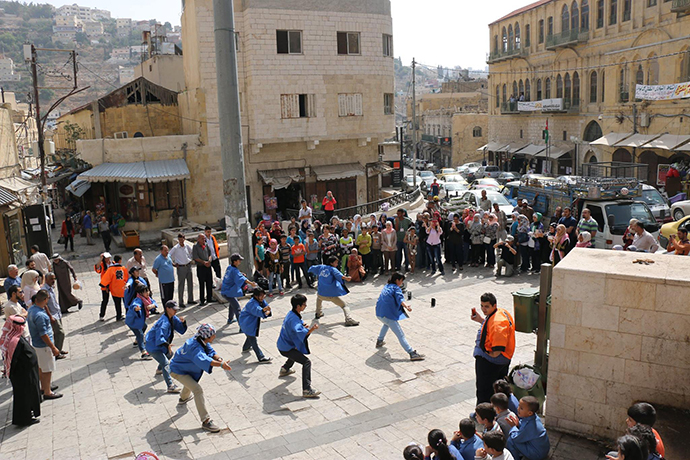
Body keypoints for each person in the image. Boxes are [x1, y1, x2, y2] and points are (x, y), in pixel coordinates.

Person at [169, 323, 231, 433]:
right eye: (213, 335)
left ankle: (183, 398)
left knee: (191, 383)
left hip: (185, 368)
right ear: (207, 336)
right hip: (177, 371)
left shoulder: (199, 340)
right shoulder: (195, 348)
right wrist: (221, 365)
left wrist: (220, 359)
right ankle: (206, 421)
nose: (214, 336)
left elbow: (210, 351)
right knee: (197, 389)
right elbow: (205, 360)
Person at [471, 292, 516, 404]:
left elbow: (497, 350)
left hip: (492, 361)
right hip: (502, 360)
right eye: (482, 306)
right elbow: (490, 328)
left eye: (486, 306)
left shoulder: (497, 323)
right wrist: (481, 320)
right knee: (499, 389)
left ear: (494, 306)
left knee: (484, 390)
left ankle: (483, 414)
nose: (483, 309)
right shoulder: (500, 312)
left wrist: (486, 354)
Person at [0, 315, 41, 426]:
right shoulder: (14, 341)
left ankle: (27, 415)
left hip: (25, 374)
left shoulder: (15, 337)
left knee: (25, 396)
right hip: (22, 375)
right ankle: (24, 419)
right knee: (23, 397)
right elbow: (14, 359)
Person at [277, 294, 320, 398]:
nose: (305, 306)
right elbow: (301, 332)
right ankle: (307, 389)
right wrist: (311, 329)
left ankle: (285, 369)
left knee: (297, 351)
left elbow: (298, 325)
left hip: (283, 344)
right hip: (286, 348)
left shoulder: (291, 314)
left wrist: (303, 325)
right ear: (298, 306)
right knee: (306, 362)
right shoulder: (294, 319)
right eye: (304, 304)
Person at [374, 272, 424, 360]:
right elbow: (400, 298)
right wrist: (406, 306)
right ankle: (411, 353)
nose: (402, 283)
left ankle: (380, 341)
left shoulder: (387, 286)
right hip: (388, 314)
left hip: (379, 313)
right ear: (397, 280)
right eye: (401, 281)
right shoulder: (396, 288)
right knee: (400, 335)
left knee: (386, 324)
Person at [145, 300, 187, 394]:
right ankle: (170, 386)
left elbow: (181, 329)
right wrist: (167, 345)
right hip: (153, 346)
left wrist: (183, 323)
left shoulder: (172, 317)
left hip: (159, 344)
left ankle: (159, 369)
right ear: (167, 309)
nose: (176, 311)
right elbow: (159, 338)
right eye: (174, 309)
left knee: (169, 355)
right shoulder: (163, 322)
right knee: (166, 363)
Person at [26, 290, 62, 400]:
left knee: (41, 367)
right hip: (44, 346)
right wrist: (53, 347)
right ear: (45, 300)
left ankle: (44, 387)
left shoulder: (32, 309)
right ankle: (47, 392)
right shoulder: (40, 315)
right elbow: (43, 334)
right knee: (47, 369)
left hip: (36, 344)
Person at [308, 255, 359, 327]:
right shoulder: (333, 269)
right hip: (330, 295)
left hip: (320, 293)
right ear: (331, 263)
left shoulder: (321, 267)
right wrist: (347, 278)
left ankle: (318, 313)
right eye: (336, 262)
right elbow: (340, 276)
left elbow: (312, 268)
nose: (337, 264)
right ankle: (348, 319)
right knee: (344, 305)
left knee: (319, 298)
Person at [221, 253, 258, 324]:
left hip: (225, 291)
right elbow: (243, 279)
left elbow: (237, 275)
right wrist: (251, 283)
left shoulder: (229, 267)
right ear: (234, 261)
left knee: (232, 304)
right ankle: (242, 325)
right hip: (228, 292)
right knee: (237, 308)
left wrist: (241, 273)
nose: (240, 262)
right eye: (239, 260)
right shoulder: (235, 271)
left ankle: (230, 319)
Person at [238, 288, 272, 363]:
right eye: (261, 296)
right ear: (256, 296)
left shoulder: (260, 301)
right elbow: (258, 310)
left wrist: (267, 311)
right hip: (246, 323)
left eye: (263, 296)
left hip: (250, 323)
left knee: (250, 336)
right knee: (253, 340)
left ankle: (246, 347)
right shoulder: (252, 303)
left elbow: (266, 308)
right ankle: (261, 357)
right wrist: (264, 311)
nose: (263, 298)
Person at [126, 284, 156, 360]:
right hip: (133, 321)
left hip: (139, 321)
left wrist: (152, 306)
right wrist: (136, 308)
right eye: (145, 292)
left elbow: (154, 302)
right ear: (140, 293)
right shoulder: (138, 300)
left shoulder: (147, 299)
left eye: (147, 291)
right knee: (140, 334)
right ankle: (143, 352)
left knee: (144, 326)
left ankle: (137, 341)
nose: (147, 293)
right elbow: (134, 305)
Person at [41, 273, 67, 359]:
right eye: (51, 279)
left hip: (57, 312)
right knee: (60, 332)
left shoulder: (51, 288)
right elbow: (45, 304)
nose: (53, 281)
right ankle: (56, 353)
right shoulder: (44, 290)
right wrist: (50, 316)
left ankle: (58, 348)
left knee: (57, 333)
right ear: (47, 279)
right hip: (53, 315)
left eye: (54, 279)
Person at [169, 233, 196, 308]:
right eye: (180, 240)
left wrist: (190, 259)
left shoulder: (187, 246)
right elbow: (169, 255)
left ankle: (190, 299)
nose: (181, 241)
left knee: (190, 283)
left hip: (188, 266)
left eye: (182, 239)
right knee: (181, 285)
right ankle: (181, 301)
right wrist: (173, 263)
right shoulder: (175, 248)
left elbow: (191, 253)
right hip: (180, 267)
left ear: (184, 239)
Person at [100, 254, 129, 321]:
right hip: (123, 288)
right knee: (126, 302)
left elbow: (106, 279)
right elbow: (126, 278)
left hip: (114, 289)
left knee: (117, 303)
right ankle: (128, 314)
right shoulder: (123, 268)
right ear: (120, 261)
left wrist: (104, 286)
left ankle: (118, 315)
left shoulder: (110, 269)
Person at [192, 234, 214, 306]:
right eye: (202, 239)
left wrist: (209, 260)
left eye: (204, 239)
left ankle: (209, 297)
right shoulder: (195, 247)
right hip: (201, 267)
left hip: (208, 266)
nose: (203, 240)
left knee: (209, 282)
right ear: (198, 239)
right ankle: (202, 300)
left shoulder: (206, 245)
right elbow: (195, 257)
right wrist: (204, 262)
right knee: (202, 284)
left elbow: (210, 254)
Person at [95, 252, 112, 321]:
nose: (107, 259)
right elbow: (97, 268)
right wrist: (100, 259)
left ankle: (119, 313)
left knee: (117, 299)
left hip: (113, 284)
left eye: (108, 258)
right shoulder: (102, 265)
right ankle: (101, 315)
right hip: (105, 285)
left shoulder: (112, 263)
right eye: (106, 258)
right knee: (105, 300)